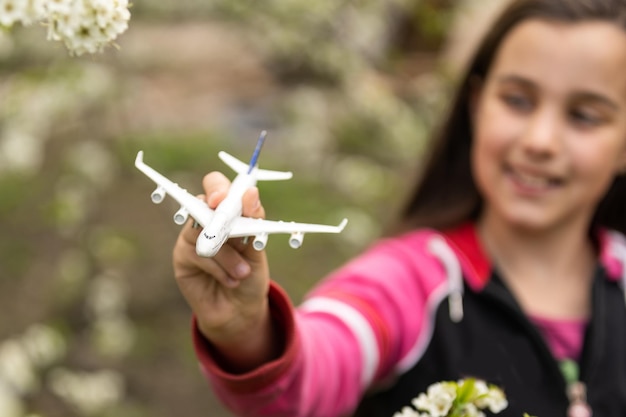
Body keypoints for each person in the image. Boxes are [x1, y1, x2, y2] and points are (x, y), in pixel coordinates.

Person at [171, 0, 626, 416]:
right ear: (475, 105)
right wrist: (251, 334)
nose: (539, 141)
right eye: (517, 100)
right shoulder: (407, 283)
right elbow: (320, 363)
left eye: (585, 115)